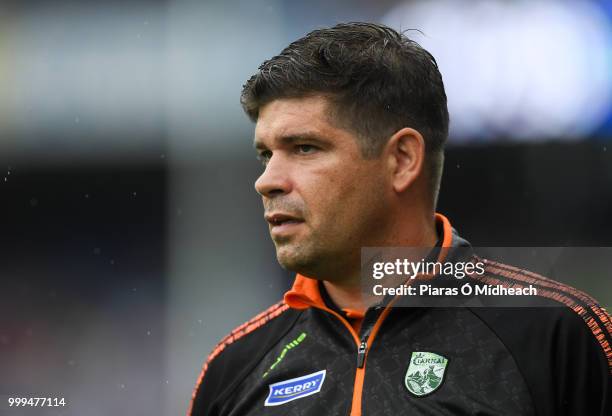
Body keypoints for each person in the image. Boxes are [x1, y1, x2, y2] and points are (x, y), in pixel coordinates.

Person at [188, 22, 611, 415]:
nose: (267, 181)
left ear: (402, 159)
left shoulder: (556, 339)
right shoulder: (234, 370)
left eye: (304, 148)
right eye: (266, 154)